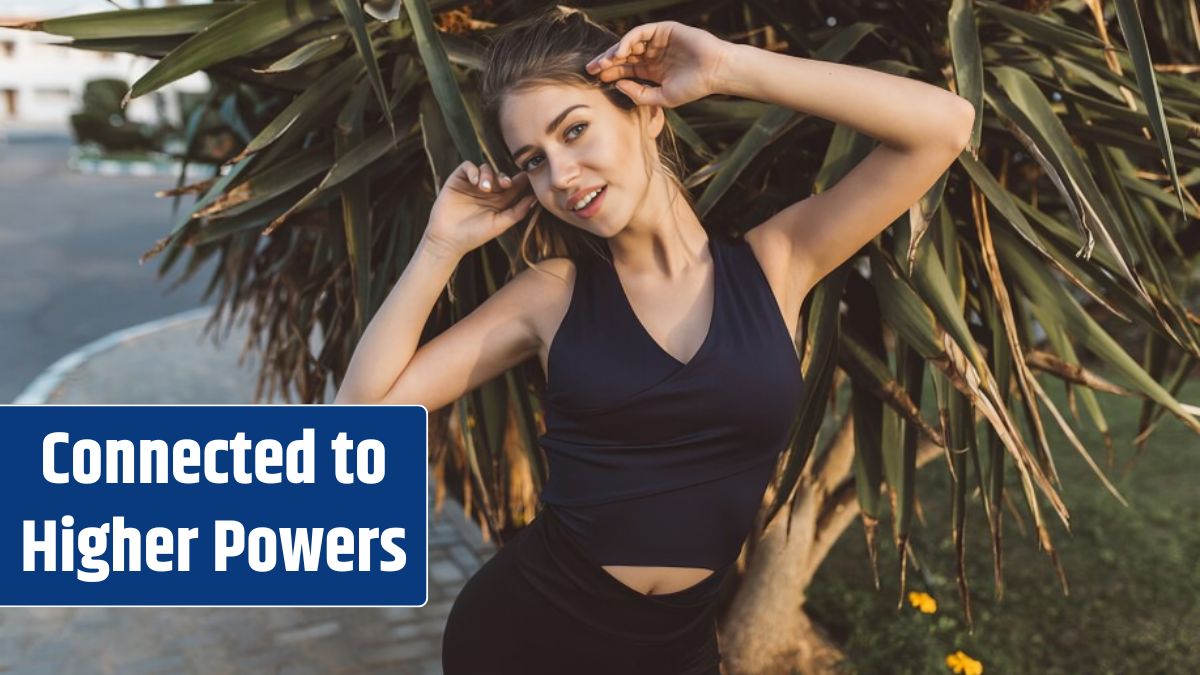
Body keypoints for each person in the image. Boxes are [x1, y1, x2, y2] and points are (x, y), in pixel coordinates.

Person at [334, 6, 974, 674]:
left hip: (677, 648)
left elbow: (945, 127)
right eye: (535, 161)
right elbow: (358, 422)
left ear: (646, 110)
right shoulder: (554, 295)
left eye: (575, 130)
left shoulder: (779, 262)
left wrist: (727, 66)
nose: (562, 176)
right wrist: (440, 245)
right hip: (527, 637)